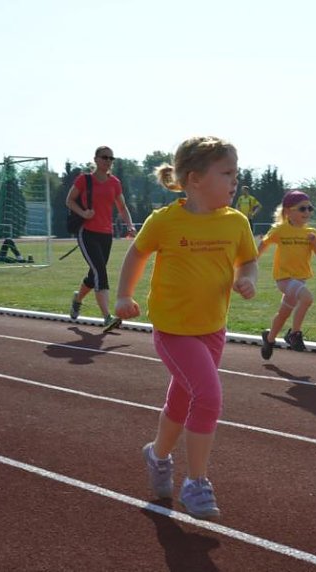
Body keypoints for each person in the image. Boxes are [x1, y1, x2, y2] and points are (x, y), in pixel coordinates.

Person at [113, 136, 258, 520]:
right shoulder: (164, 221)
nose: (234, 181)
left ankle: (157, 455)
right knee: (208, 397)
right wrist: (124, 296)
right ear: (194, 179)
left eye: (236, 173)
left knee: (182, 400)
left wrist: (248, 279)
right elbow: (137, 253)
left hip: (213, 328)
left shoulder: (236, 222)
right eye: (226, 173)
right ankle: (196, 482)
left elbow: (248, 260)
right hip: (174, 331)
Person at [66, 146, 136, 333]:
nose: (108, 161)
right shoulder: (84, 180)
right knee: (100, 272)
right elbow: (69, 200)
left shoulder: (114, 183)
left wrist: (130, 226)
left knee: (94, 274)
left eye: (111, 158)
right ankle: (107, 317)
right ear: (96, 159)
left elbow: (122, 207)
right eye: (105, 157)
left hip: (106, 234)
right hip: (87, 232)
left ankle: (77, 299)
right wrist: (83, 213)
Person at [258, 190, 316, 358]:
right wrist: (250, 261)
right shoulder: (280, 230)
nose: (307, 212)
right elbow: (263, 244)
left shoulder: (311, 233)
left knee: (283, 314)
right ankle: (294, 334)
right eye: (302, 209)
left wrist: (315, 243)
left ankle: (269, 339)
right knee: (307, 298)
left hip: (299, 280)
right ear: (288, 211)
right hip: (284, 278)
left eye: (310, 208)